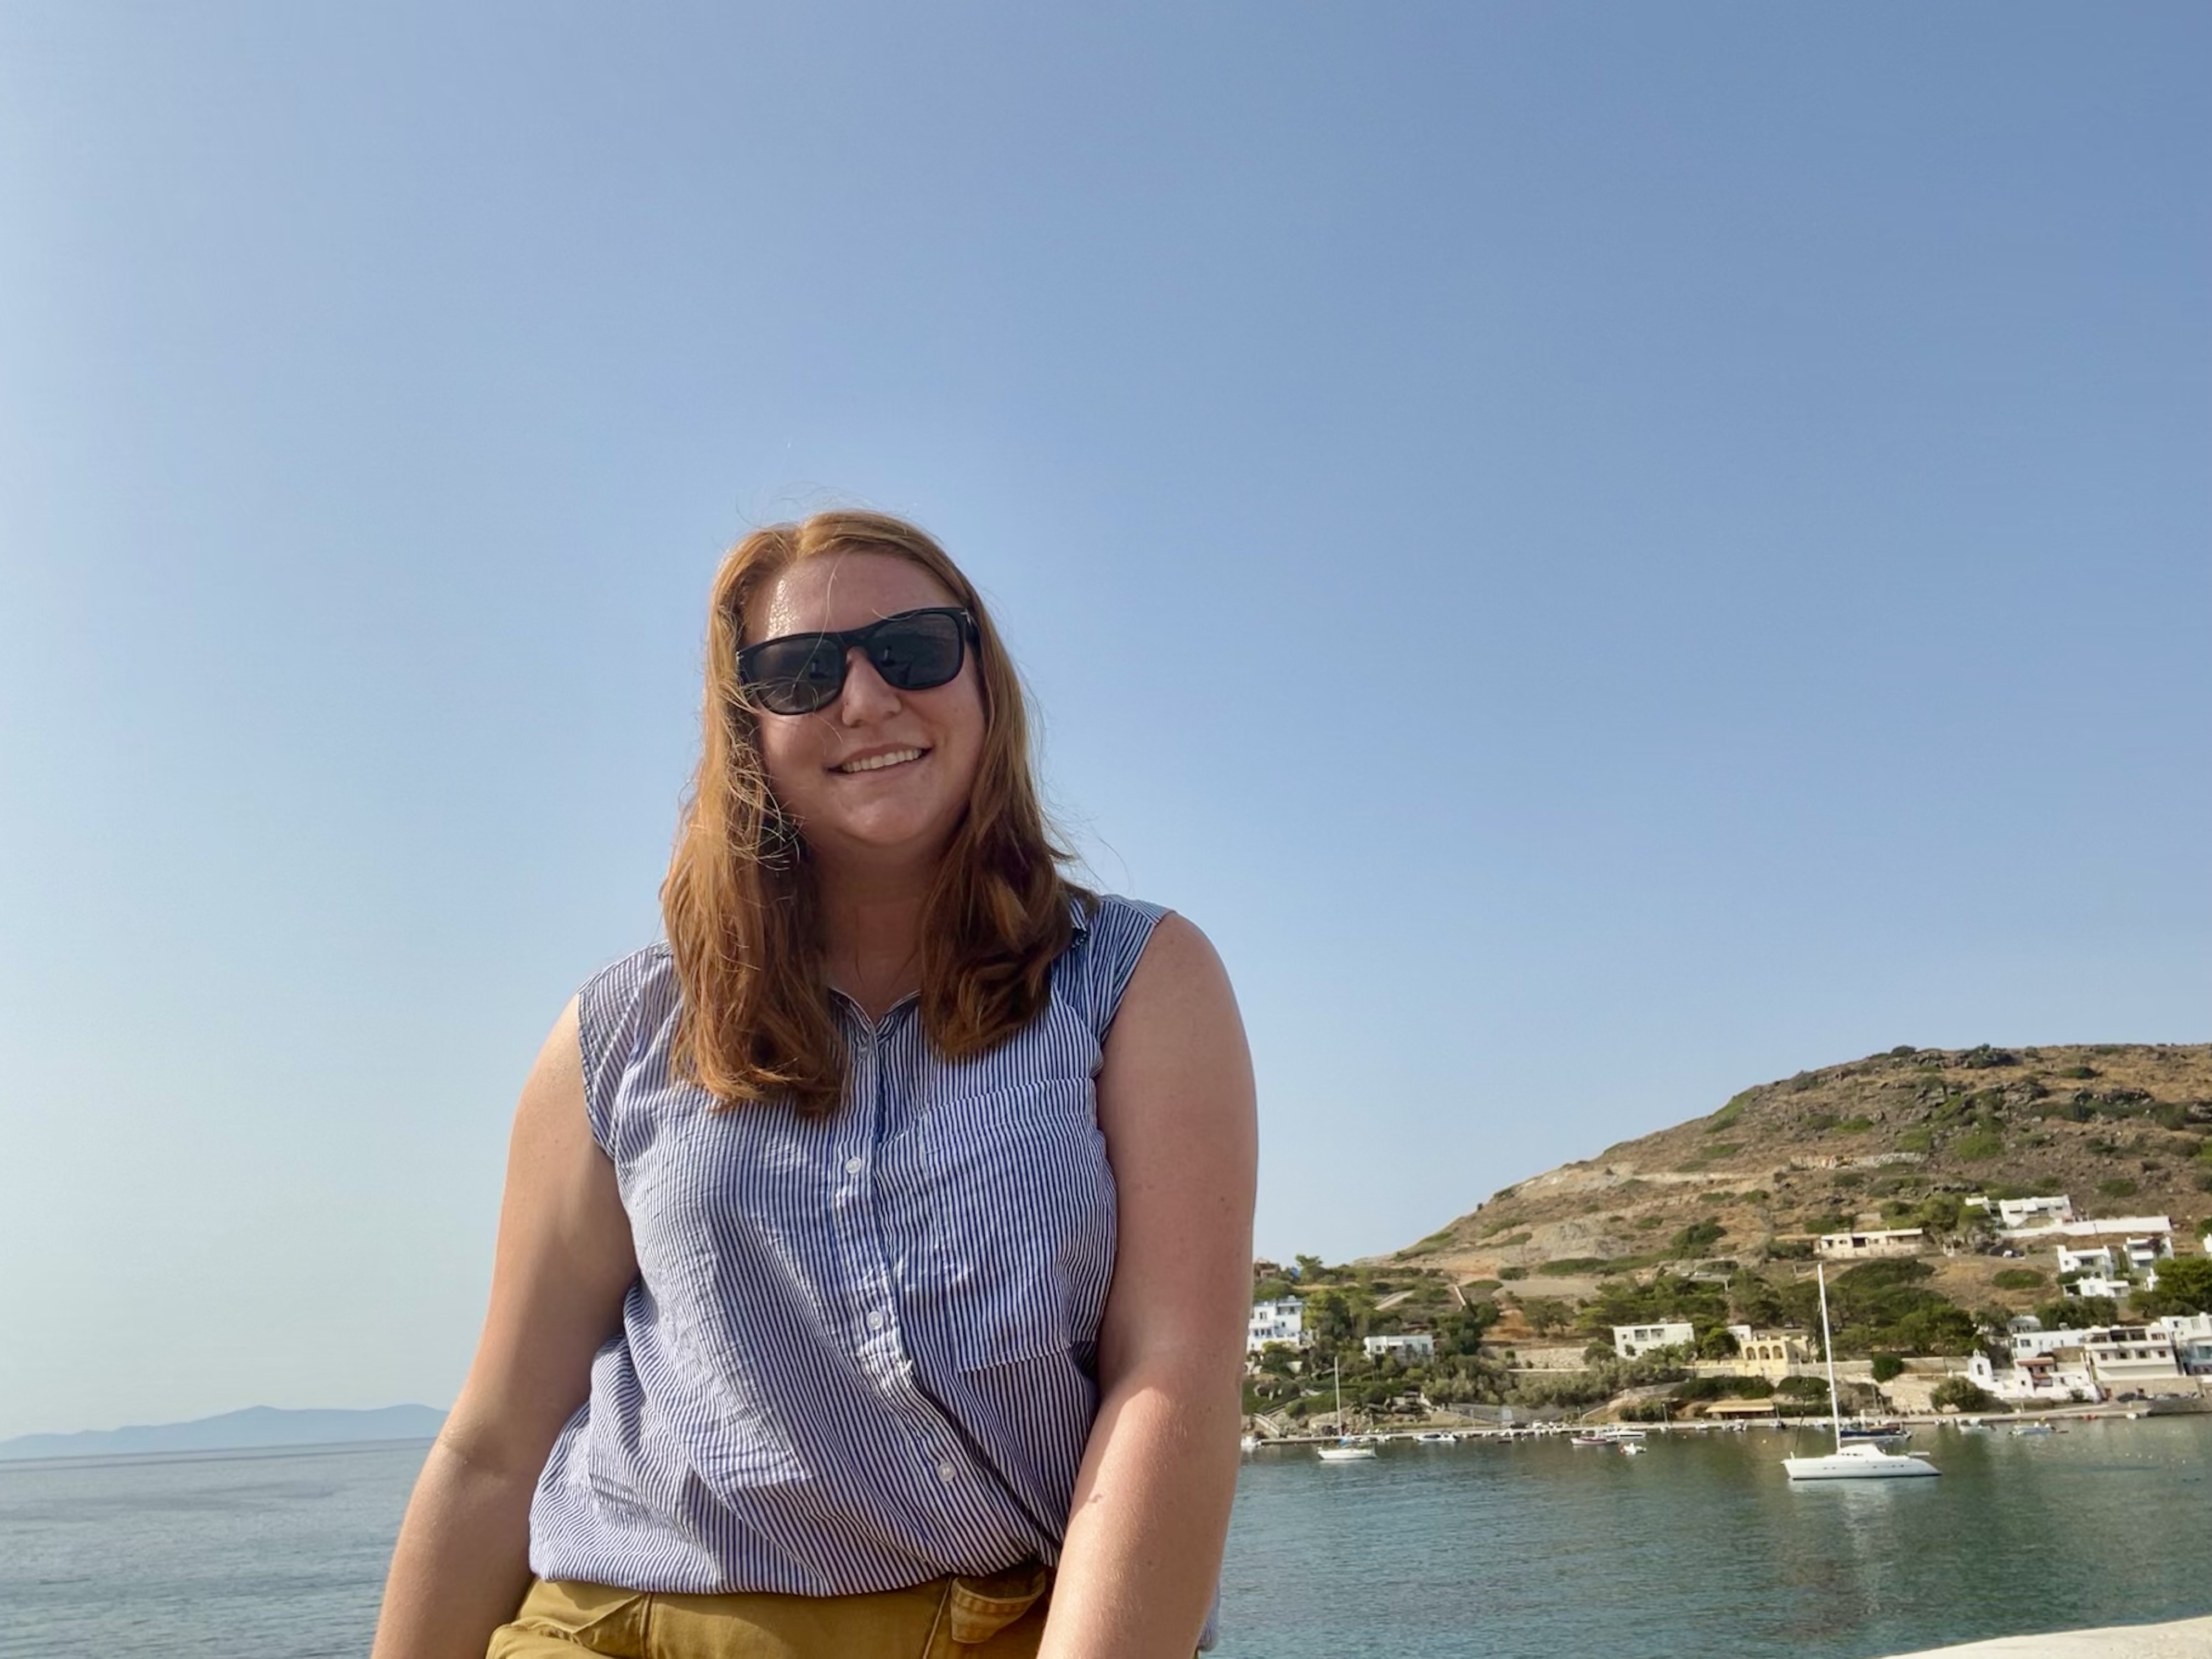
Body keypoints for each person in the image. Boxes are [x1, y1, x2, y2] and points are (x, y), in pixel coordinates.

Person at [371, 510, 1257, 1659]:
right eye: (801, 674)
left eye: (914, 650)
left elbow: (1171, 1376)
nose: (867, 699)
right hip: (611, 1624)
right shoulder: (620, 1033)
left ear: (982, 680)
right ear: (748, 726)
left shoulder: (1137, 982)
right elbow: (497, 1442)